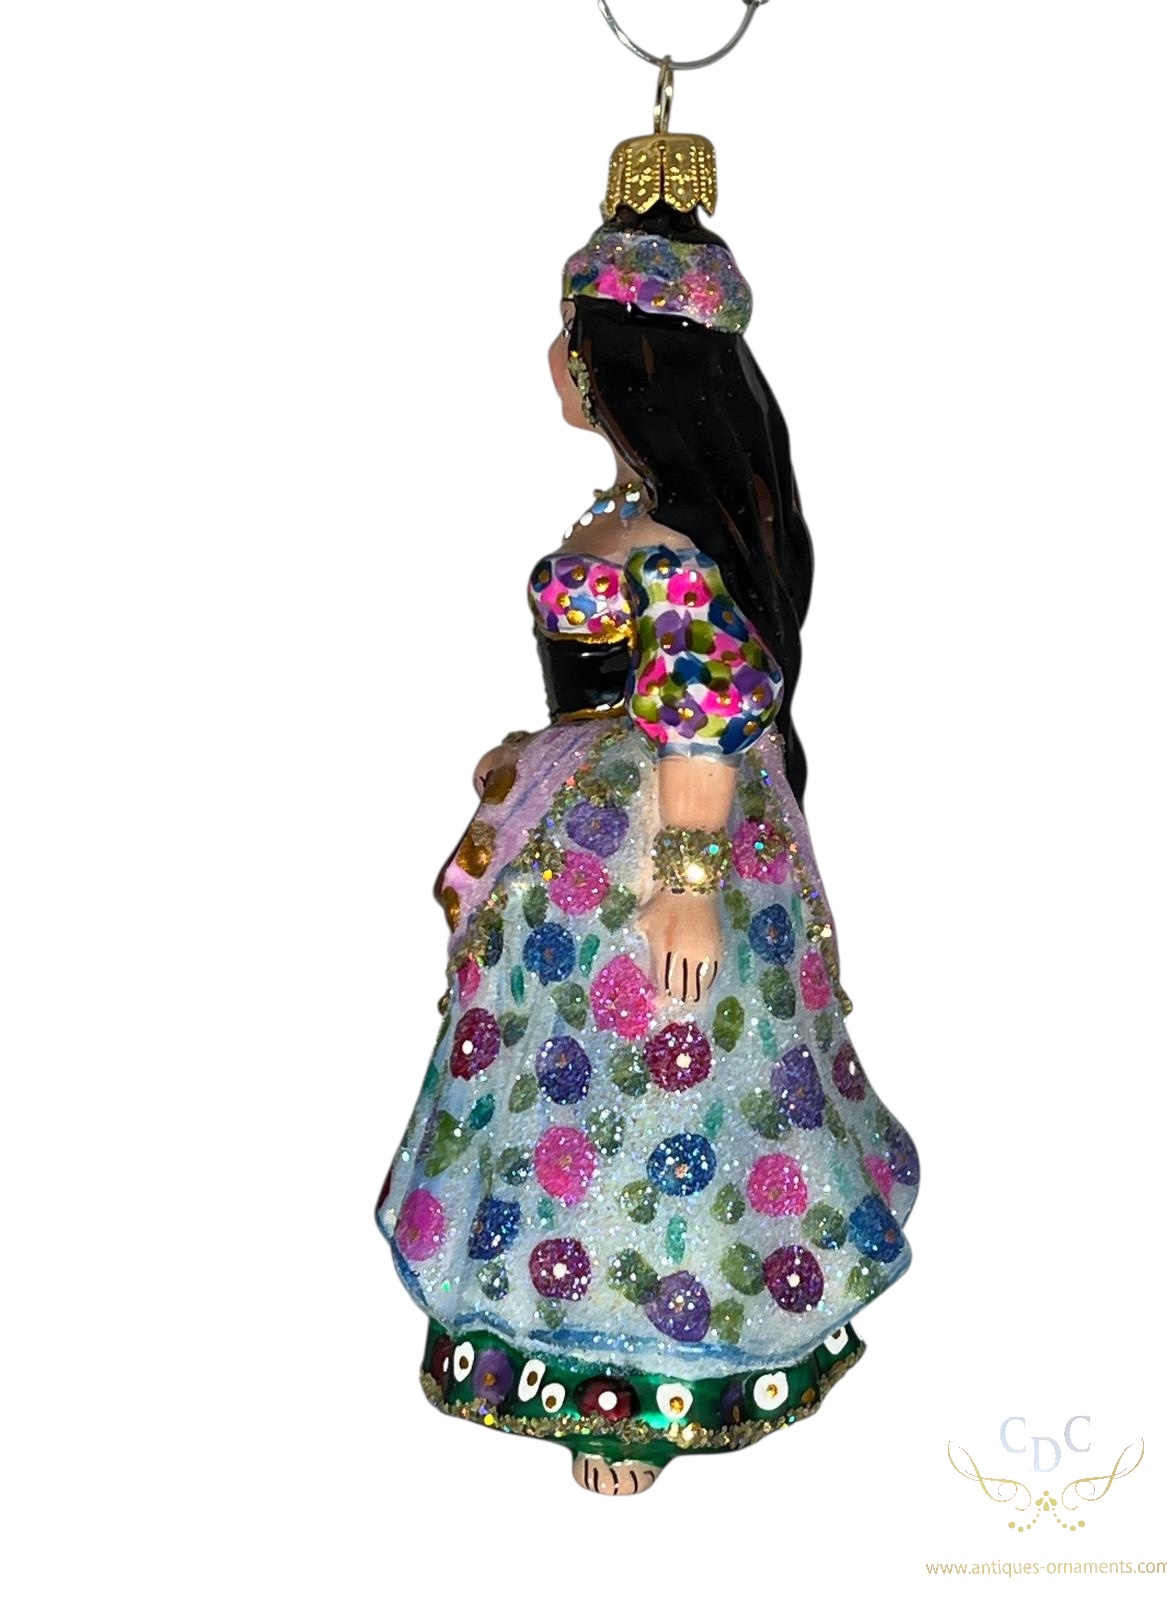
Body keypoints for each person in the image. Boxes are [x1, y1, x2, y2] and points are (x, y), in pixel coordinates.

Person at [376, 156, 918, 1495]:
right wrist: (538, 756)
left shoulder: (670, 549)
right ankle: (564, 1327)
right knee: (562, 1077)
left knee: (653, 1079)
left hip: (651, 860)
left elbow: (700, 725)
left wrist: (682, 885)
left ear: (619, 363)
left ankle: (645, 1372)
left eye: (568, 337)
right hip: (582, 839)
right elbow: (610, 695)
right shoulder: (625, 516)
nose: (552, 361)